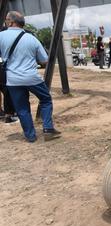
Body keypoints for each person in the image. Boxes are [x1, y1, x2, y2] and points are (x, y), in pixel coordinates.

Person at [0, 11, 61, 142]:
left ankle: (30, 136)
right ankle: (48, 129)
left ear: (11, 22)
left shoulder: (1, 36)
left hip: (13, 80)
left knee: (22, 108)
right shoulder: (32, 38)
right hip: (31, 77)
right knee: (45, 100)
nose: (5, 22)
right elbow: (44, 60)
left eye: (6, 20)